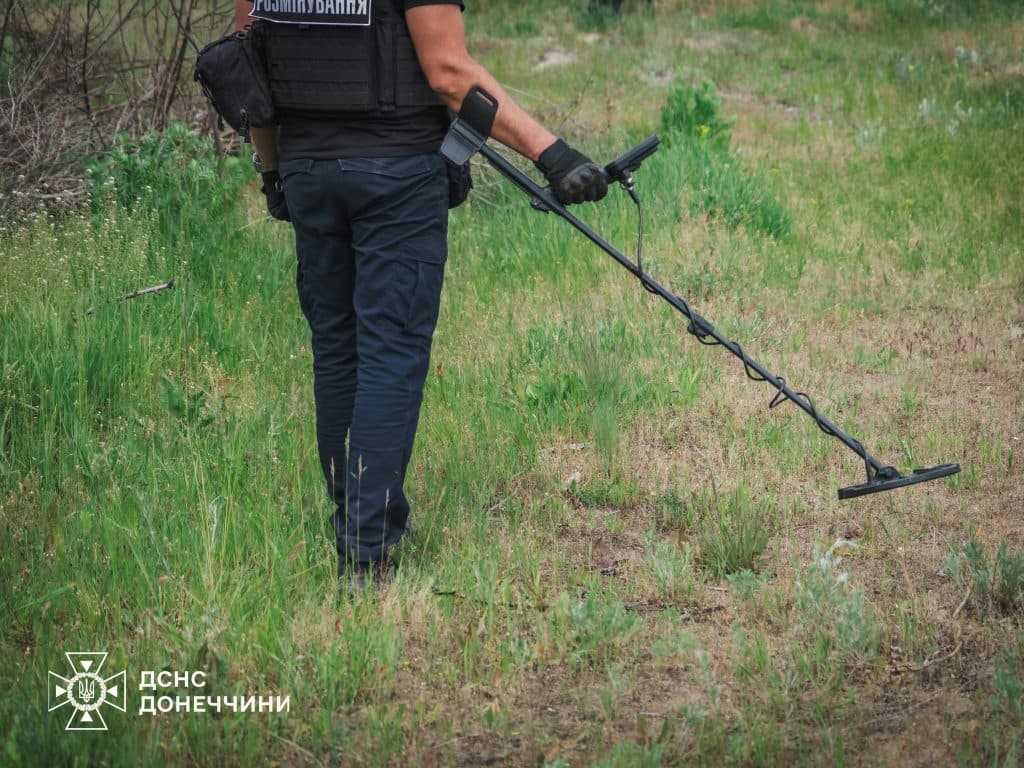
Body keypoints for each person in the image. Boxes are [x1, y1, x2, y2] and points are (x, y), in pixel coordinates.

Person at [233, 0, 608, 590]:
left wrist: (273, 168)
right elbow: (448, 73)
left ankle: (353, 522)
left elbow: (251, 68)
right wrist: (553, 154)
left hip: (306, 168)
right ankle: (364, 549)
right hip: (394, 174)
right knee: (389, 354)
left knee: (337, 352)